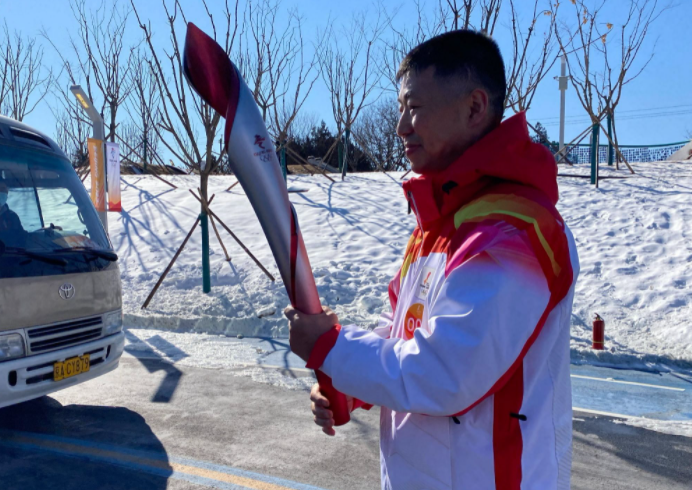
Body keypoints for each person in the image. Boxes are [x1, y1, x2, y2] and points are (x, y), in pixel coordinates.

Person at [285, 30, 580, 490]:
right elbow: (399, 335)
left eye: (415, 107)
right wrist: (348, 383)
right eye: (401, 108)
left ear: (474, 108)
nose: (401, 126)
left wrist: (332, 349)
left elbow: (446, 374)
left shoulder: (514, 231)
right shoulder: (437, 227)